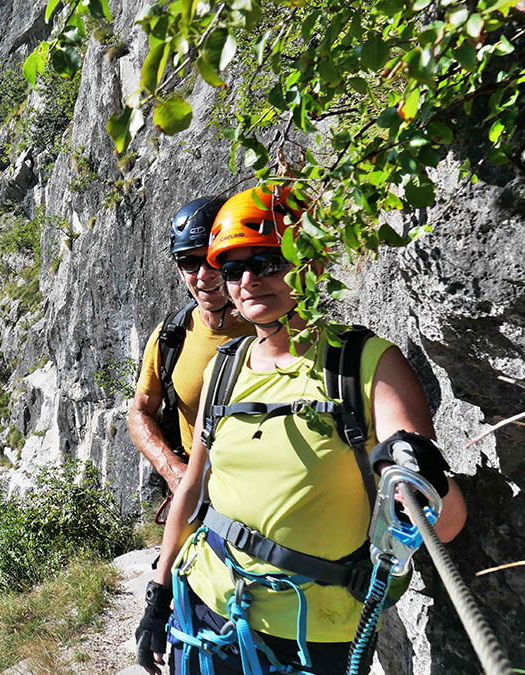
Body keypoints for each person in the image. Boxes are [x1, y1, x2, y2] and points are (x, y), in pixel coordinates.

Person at [134, 187, 468, 675]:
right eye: (233, 269)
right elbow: (193, 488)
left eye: (268, 262)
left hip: (315, 633)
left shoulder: (367, 365)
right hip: (205, 611)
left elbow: (445, 522)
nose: (248, 281)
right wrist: (159, 592)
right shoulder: (224, 369)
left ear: (312, 262)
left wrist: (418, 469)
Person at [129, 198, 254, 495]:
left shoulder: (273, 328)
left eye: (213, 260)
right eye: (189, 262)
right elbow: (140, 412)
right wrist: (174, 471)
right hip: (200, 496)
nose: (202, 274)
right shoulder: (171, 335)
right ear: (178, 268)